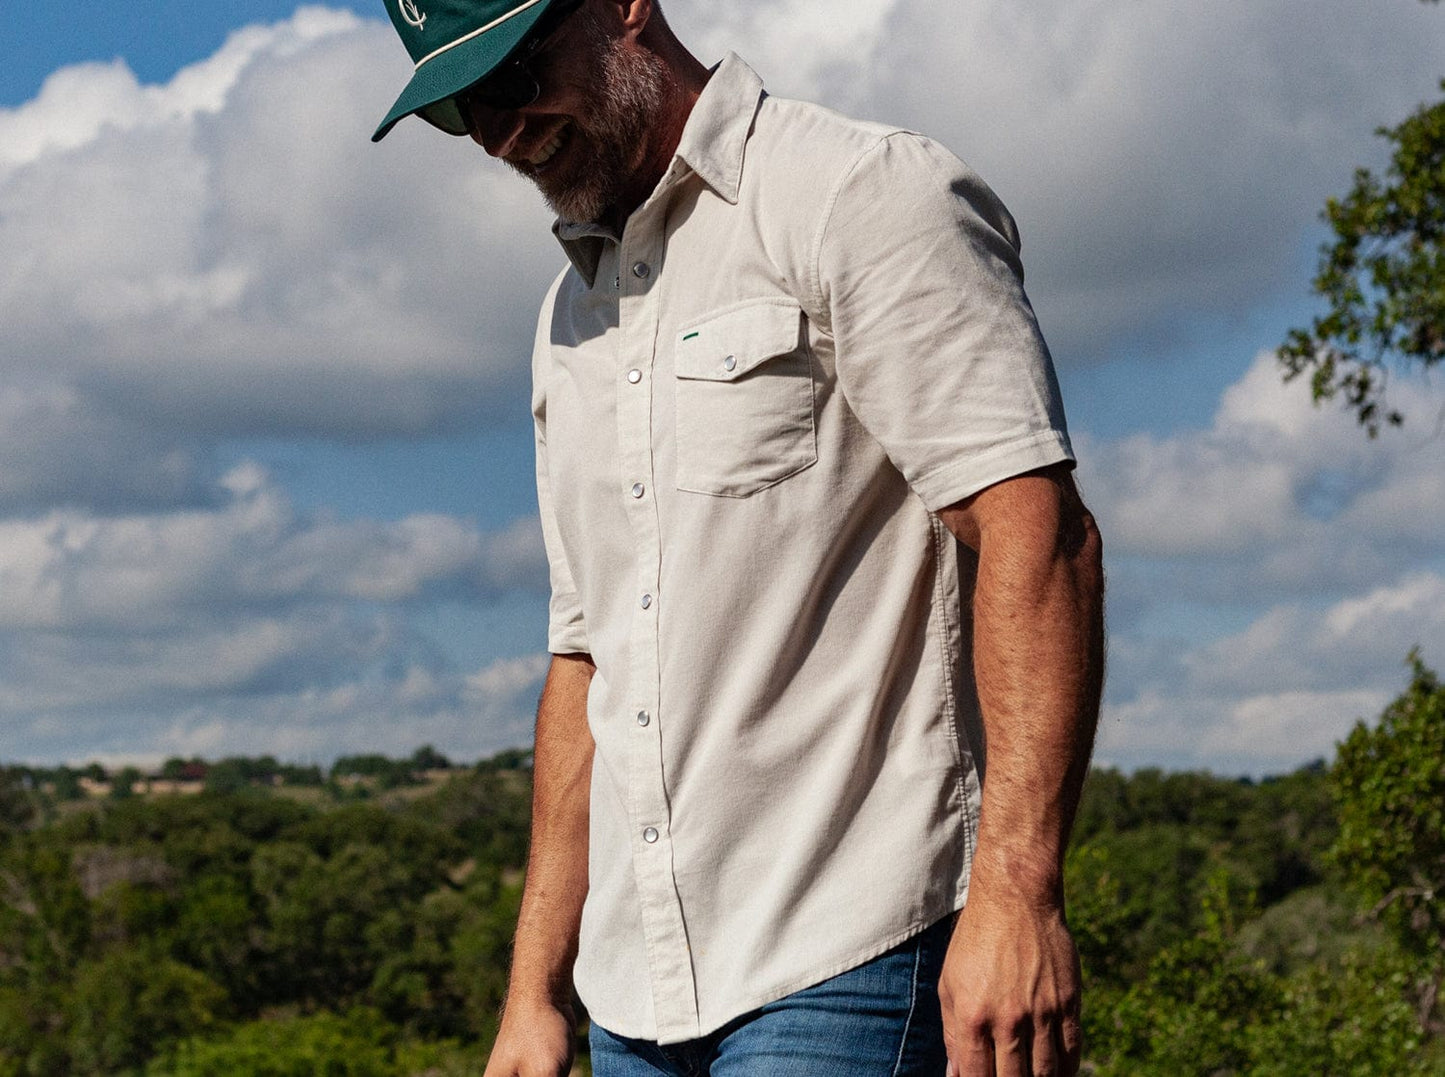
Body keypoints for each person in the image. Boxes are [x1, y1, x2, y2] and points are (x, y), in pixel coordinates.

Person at [373, 0, 1105, 1074]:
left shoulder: (857, 192)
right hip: (629, 1001)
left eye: (513, 74)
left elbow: (1035, 531)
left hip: (852, 955)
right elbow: (587, 660)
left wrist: (1017, 895)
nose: (497, 132)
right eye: (459, 108)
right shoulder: (565, 320)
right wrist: (533, 993)